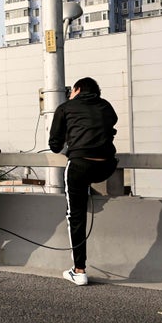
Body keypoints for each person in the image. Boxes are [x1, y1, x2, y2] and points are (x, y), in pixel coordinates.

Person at [49, 77, 118, 286]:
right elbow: (110, 130)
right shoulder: (107, 106)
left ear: (77, 90)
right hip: (106, 166)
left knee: (75, 216)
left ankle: (79, 270)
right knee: (84, 183)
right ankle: (90, 191)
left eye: (71, 91)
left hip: (79, 165)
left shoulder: (65, 108)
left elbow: (54, 144)